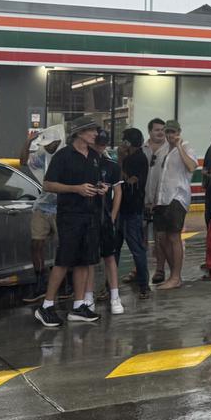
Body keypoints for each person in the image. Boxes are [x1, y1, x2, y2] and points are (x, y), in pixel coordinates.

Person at [34, 117, 107, 327]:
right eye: (92, 131)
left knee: (85, 260)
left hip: (90, 214)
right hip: (70, 215)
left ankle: (78, 306)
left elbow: (94, 181)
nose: (95, 134)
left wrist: (101, 187)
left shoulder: (94, 156)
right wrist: (76, 189)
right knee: (64, 260)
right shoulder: (63, 156)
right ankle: (46, 306)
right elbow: (48, 184)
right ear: (80, 133)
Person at [19, 125, 64, 303]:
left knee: (63, 246)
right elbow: (23, 161)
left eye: (52, 144)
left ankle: (64, 282)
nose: (48, 147)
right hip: (43, 205)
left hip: (62, 207)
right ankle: (40, 282)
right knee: (36, 244)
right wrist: (29, 141)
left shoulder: (66, 155)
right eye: (46, 144)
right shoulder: (43, 153)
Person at [152, 120, 198, 290]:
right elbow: (160, 177)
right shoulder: (164, 150)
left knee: (173, 237)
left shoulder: (186, 147)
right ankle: (173, 274)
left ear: (179, 132)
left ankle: (176, 277)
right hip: (162, 199)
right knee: (161, 238)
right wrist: (154, 199)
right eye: (168, 132)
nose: (170, 136)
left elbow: (192, 167)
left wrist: (179, 147)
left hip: (177, 198)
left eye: (173, 132)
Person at [89, 130, 125, 314]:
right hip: (88, 217)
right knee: (89, 260)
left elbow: (118, 192)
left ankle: (115, 296)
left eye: (103, 143)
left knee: (109, 257)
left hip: (105, 217)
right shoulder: (85, 163)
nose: (100, 146)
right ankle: (88, 297)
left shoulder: (111, 166)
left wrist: (112, 216)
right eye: (98, 143)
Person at [117, 128, 152, 299]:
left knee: (136, 248)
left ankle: (144, 284)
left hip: (131, 209)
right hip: (124, 209)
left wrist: (121, 160)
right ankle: (113, 285)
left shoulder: (136, 159)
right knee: (118, 249)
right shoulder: (136, 157)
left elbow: (126, 180)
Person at [142, 117, 170, 285]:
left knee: (161, 238)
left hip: (163, 201)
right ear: (150, 132)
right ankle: (139, 269)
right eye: (157, 130)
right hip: (143, 199)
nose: (160, 132)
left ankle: (160, 269)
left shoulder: (170, 149)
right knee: (140, 238)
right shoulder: (142, 149)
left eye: (163, 129)